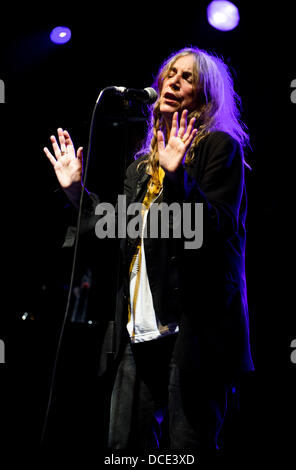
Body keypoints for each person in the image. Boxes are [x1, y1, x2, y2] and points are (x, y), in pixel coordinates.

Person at [44, 47, 254, 453]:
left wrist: (177, 179)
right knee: (122, 449)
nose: (173, 81)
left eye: (187, 78)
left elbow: (212, 229)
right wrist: (75, 192)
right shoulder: (141, 168)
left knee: (186, 451)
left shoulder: (220, 148)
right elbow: (114, 230)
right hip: (138, 334)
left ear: (205, 97)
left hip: (194, 332)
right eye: (170, 73)